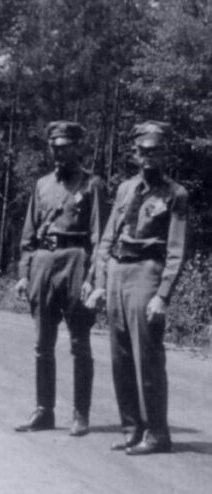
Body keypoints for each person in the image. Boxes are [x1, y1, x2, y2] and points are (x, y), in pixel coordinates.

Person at [85, 121, 188, 455]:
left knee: (148, 357)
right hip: (117, 272)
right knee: (120, 356)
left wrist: (163, 295)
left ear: (165, 153)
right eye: (143, 151)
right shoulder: (126, 189)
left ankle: (157, 433)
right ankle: (132, 427)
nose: (149, 158)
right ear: (134, 153)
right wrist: (100, 282)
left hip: (146, 271)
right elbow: (106, 238)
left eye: (155, 151)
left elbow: (176, 250)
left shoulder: (175, 195)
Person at [14, 121, 107, 436]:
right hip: (43, 263)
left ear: (77, 148)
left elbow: (100, 238)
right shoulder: (41, 185)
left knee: (80, 344)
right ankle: (44, 411)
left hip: (76, 262)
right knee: (42, 344)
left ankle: (81, 414)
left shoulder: (92, 185)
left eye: (65, 146)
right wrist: (24, 275)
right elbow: (28, 235)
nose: (59, 151)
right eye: (54, 146)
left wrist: (93, 278)